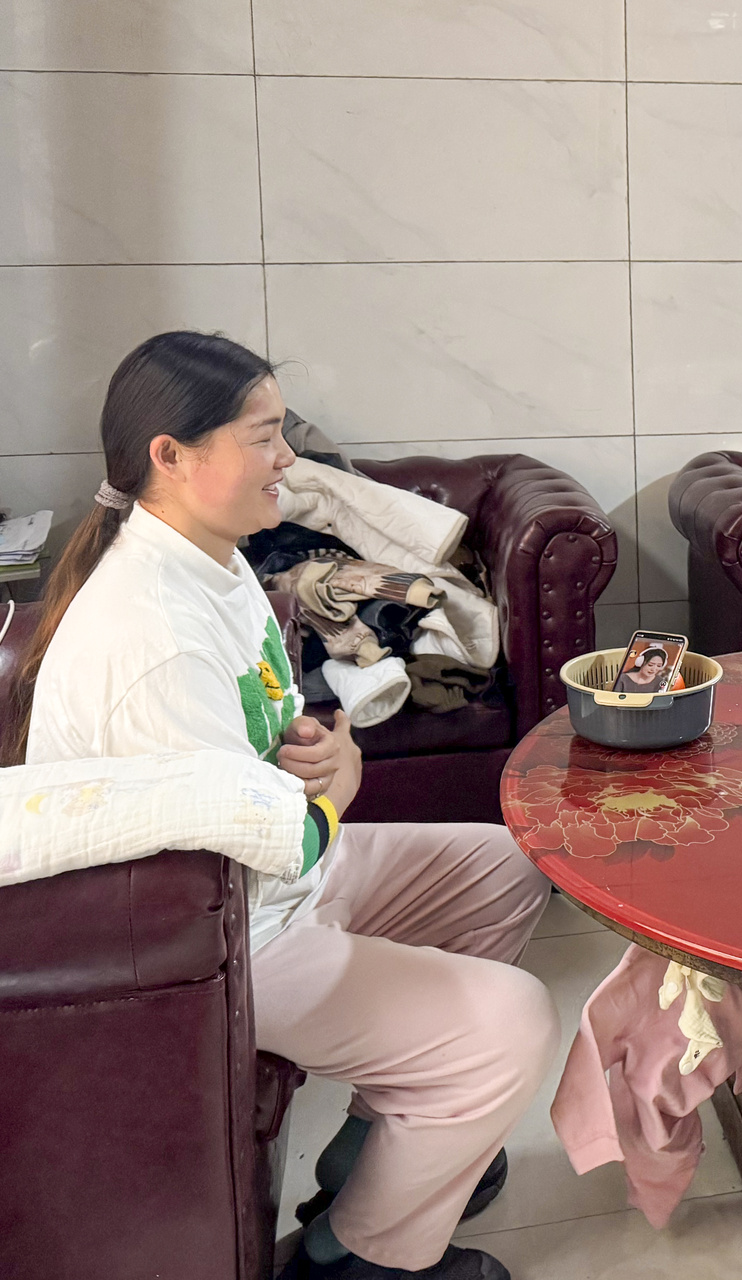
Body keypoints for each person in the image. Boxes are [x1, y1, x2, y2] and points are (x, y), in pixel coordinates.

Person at [8, 332, 559, 1280]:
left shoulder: (212, 562)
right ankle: (357, 1258)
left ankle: (384, 1145)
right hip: (217, 940)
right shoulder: (151, 637)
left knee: (505, 867)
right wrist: (338, 794)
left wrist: (320, 746)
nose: (287, 462)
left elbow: (253, 743)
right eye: (263, 438)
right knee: (514, 1021)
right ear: (171, 456)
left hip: (269, 885)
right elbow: (246, 845)